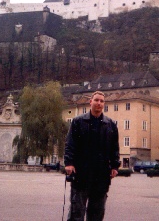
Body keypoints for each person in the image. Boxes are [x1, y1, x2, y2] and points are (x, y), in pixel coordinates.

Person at [64, 91, 120, 221]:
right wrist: (69, 163)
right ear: (91, 102)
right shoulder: (78, 121)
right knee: (76, 212)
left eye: (101, 101)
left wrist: (114, 166)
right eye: (96, 100)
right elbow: (70, 143)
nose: (99, 103)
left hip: (101, 176)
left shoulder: (110, 125)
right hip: (81, 173)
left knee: (97, 213)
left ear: (104, 104)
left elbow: (114, 148)